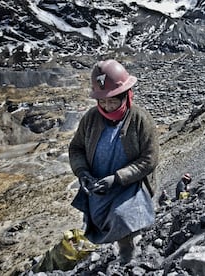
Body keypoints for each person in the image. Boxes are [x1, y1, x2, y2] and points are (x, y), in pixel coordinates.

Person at [68, 59, 159, 264]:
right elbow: (76, 148)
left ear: (126, 95)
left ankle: (130, 259)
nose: (108, 107)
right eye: (103, 102)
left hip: (130, 186)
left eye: (113, 101)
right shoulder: (90, 118)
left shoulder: (140, 120)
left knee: (123, 219)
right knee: (101, 223)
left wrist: (118, 178)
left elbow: (150, 158)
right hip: (98, 185)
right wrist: (82, 172)